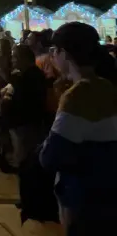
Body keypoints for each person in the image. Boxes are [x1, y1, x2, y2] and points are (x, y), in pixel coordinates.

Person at [40, 22, 117, 234]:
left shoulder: (77, 95)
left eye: (54, 51)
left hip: (83, 197)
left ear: (64, 53)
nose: (53, 57)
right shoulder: (106, 86)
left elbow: (51, 156)